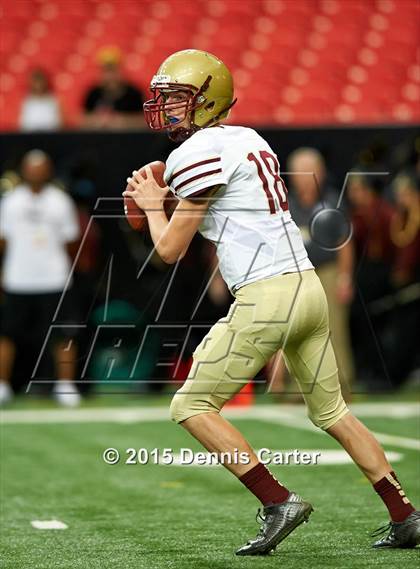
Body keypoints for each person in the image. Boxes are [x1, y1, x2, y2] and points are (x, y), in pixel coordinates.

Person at [123, 50, 420, 554]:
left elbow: (169, 250)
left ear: (206, 101)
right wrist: (167, 201)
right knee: (333, 412)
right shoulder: (250, 139)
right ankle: (406, 514)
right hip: (307, 286)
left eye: (177, 98)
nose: (166, 108)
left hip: (268, 293)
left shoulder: (193, 153)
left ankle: (277, 500)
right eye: (164, 98)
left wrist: (154, 206)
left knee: (191, 403)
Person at [0, 150, 80, 407]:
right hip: (18, 279)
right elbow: (3, 240)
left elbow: (71, 240)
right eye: (31, 168)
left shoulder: (60, 200)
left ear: (48, 171)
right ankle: (2, 386)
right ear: (24, 170)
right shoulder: (10, 201)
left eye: (40, 168)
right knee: (6, 334)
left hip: (54, 279)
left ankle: (66, 387)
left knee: (63, 334)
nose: (36, 173)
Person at [285, 147, 355, 399]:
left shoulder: (333, 202)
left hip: (328, 271)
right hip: (295, 274)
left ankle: (341, 384)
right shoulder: (285, 204)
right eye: (300, 171)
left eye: (310, 171)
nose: (304, 177)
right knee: (296, 330)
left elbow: (345, 242)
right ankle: (298, 388)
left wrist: (345, 278)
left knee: (334, 328)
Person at [82, 47, 145, 130]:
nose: (109, 76)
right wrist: (98, 121)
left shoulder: (134, 93)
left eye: (112, 70)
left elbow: (144, 121)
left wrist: (122, 121)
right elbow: (82, 120)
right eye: (105, 71)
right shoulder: (93, 93)